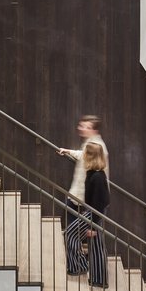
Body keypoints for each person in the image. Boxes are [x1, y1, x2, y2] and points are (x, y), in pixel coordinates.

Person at [57, 116, 109, 277]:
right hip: (80, 199)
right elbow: (83, 154)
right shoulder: (92, 146)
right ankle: (83, 267)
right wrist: (69, 152)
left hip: (87, 204)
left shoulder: (97, 152)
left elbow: (100, 201)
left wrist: (93, 225)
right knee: (76, 235)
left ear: (93, 129)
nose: (81, 128)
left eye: (85, 126)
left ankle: (81, 267)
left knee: (74, 236)